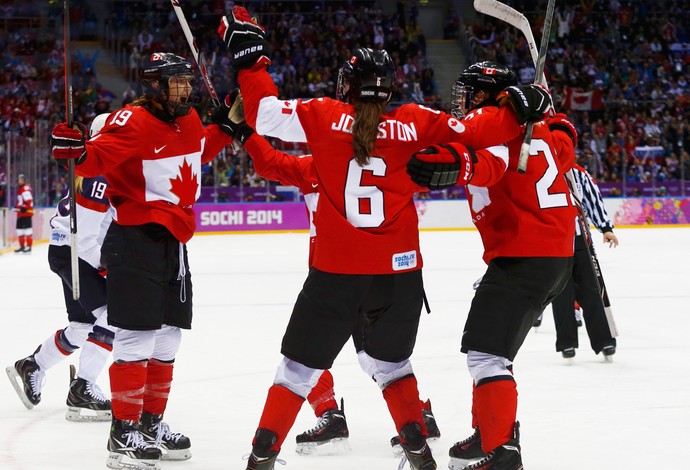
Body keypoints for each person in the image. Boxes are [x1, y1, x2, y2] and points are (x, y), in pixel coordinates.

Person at [218, 8, 550, 469]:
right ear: (390, 87)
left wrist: (250, 61)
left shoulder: (322, 115)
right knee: (394, 367)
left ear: (347, 86)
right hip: (398, 275)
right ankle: (418, 453)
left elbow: (264, 115)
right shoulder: (416, 122)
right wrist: (520, 106)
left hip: (335, 271)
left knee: (296, 371)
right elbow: (477, 130)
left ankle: (261, 457)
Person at [226, 95, 441, 455]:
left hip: (335, 273)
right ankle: (410, 423)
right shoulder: (392, 161)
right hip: (384, 273)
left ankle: (286, 440)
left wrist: (245, 130)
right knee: (383, 361)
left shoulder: (321, 164)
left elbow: (270, 162)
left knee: (302, 362)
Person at [50, 52, 233, 470]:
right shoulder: (131, 121)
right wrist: (74, 148)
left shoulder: (186, 120)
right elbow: (91, 160)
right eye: (176, 82)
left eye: (188, 82)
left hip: (176, 245)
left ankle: (150, 424)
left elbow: (196, 152)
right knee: (135, 337)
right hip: (134, 241)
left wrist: (227, 127)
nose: (185, 89)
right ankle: (123, 433)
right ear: (154, 85)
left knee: (169, 337)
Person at [406, 63, 578, 469]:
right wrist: (551, 112)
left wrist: (457, 163)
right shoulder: (543, 131)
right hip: (551, 257)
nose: (462, 101)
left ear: (489, 96)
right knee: (488, 351)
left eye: (469, 93)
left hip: (525, 255)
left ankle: (501, 451)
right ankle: (488, 432)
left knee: (487, 358)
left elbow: (478, 148)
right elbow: (567, 142)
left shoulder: (497, 124)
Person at [6, 114, 114, 421]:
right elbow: (88, 237)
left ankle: (33, 365)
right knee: (113, 317)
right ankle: (84, 387)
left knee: (82, 326)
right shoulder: (99, 175)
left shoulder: (91, 167)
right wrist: (105, 268)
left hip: (64, 249)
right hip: (77, 252)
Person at [551, 157, 619, 361]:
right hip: (554, 242)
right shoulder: (541, 171)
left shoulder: (578, 173)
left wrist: (605, 227)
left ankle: (604, 339)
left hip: (580, 240)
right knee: (561, 293)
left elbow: (592, 198)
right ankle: (567, 342)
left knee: (592, 290)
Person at [14, 173, 34, 253]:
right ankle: (22, 246)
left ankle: (28, 247)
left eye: (19, 179)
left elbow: (29, 201)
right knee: (20, 230)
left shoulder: (25, 188)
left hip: (26, 214)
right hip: (20, 214)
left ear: (23, 180)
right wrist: (18, 207)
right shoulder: (21, 188)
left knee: (27, 230)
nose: (18, 181)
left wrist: (24, 208)